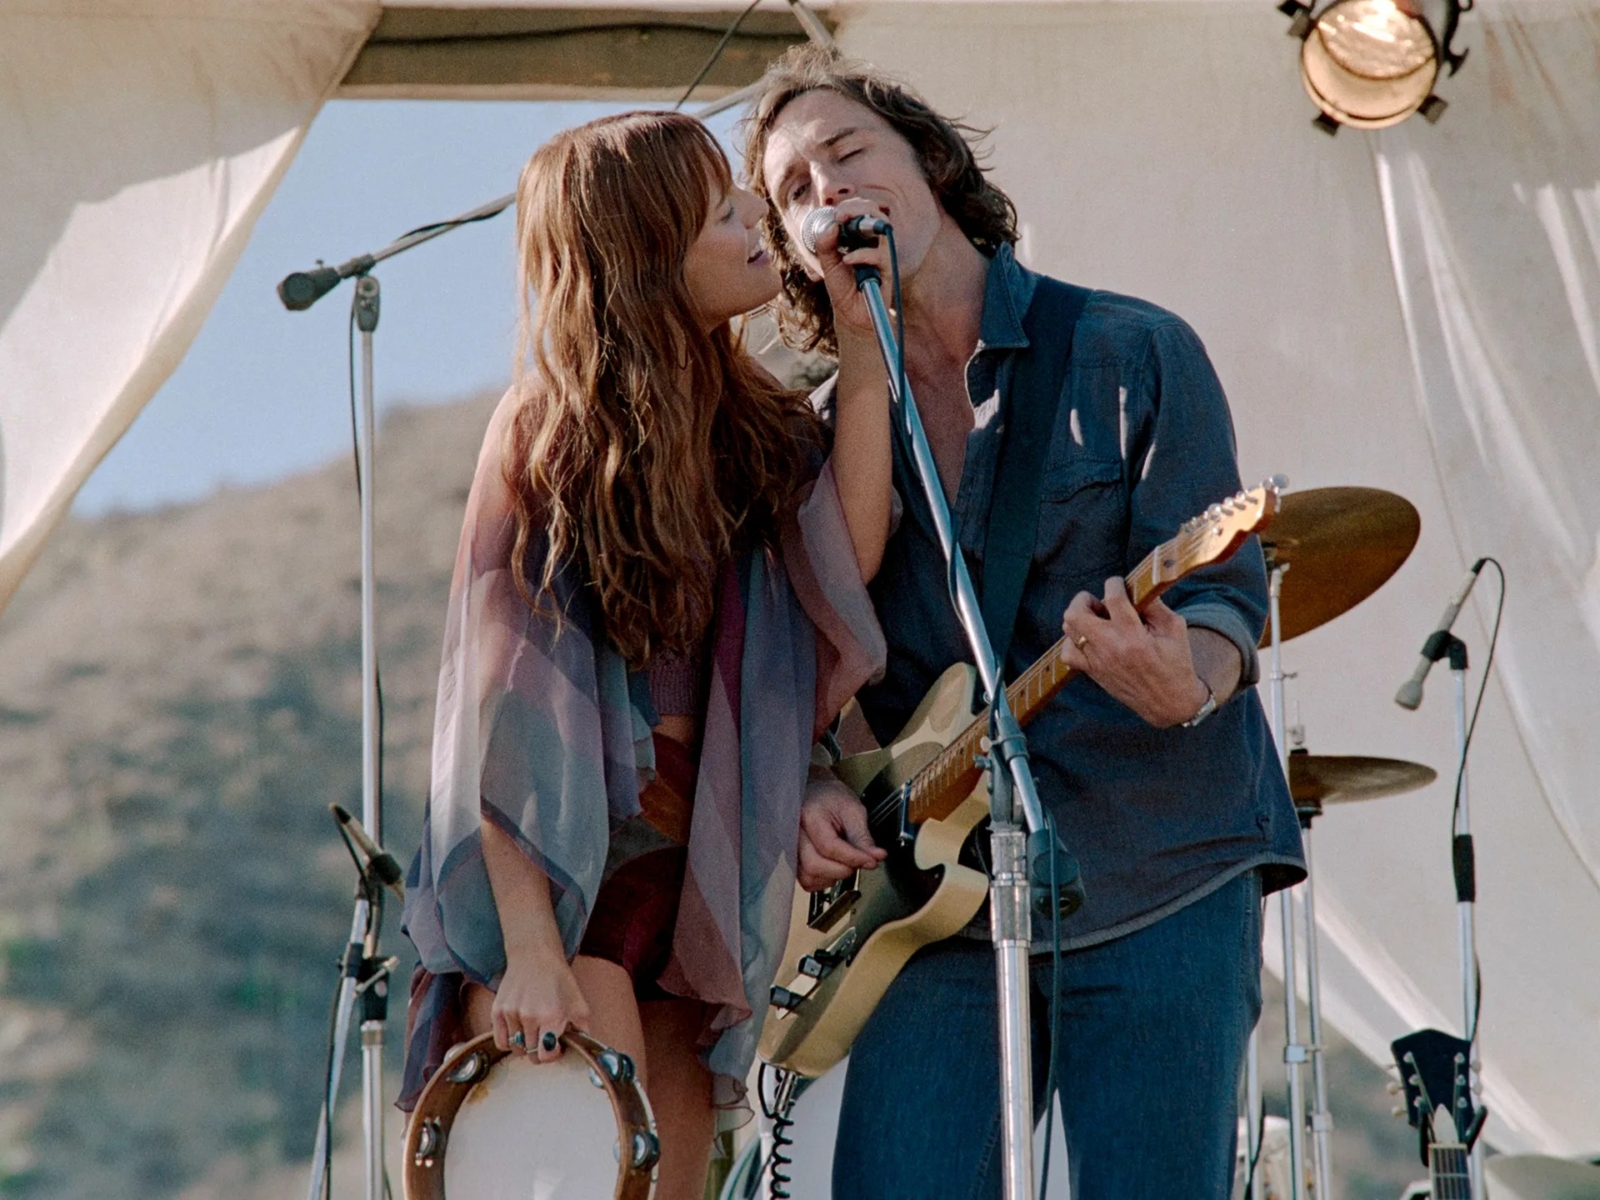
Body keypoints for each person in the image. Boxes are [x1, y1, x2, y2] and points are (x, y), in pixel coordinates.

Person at [743, 48, 1307, 1200]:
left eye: (846, 152)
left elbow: (1222, 599)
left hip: (1158, 872)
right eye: (793, 190)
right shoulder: (813, 439)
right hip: (931, 909)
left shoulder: (1130, 350)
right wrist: (808, 774)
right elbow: (796, 649)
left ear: (931, 163)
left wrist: (1188, 678)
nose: (826, 189)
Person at [398, 111, 896, 1200]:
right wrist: (531, 949)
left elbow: (843, 564)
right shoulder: (545, 433)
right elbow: (499, 712)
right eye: (721, 212)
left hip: (695, 883)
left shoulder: (755, 427)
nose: (756, 216)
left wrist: (862, 344)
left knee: (672, 1181)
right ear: (644, 262)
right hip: (567, 883)